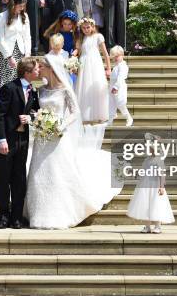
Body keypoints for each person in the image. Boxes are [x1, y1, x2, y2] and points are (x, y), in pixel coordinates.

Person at [24, 55, 122, 229]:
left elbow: (75, 112)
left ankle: (61, 211)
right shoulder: (40, 91)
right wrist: (37, 120)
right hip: (42, 137)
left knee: (58, 171)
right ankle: (39, 213)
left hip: (59, 136)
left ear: (50, 68)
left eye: (42, 67)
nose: (39, 70)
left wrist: (61, 124)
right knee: (39, 172)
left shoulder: (65, 90)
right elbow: (35, 111)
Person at [0, 58, 41, 229]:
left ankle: (16, 217)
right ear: (27, 72)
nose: (39, 71)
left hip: (22, 141)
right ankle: (3, 216)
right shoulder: (9, 88)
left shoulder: (33, 91)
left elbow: (37, 111)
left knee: (19, 180)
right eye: (37, 69)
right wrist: (1, 140)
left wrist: (30, 118)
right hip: (7, 142)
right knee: (3, 180)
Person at [126, 133, 174, 233]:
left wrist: (161, 187)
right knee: (145, 204)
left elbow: (162, 174)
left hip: (155, 185)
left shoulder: (158, 160)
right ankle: (147, 226)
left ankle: (157, 226)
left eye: (150, 148)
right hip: (145, 185)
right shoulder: (147, 160)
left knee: (156, 204)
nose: (148, 150)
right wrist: (133, 173)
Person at [75, 17, 110, 124]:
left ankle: (99, 113)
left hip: (95, 64)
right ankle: (85, 114)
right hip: (84, 65)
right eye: (83, 28)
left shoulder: (98, 37)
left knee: (97, 87)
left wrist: (108, 68)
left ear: (93, 27)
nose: (86, 30)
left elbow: (105, 54)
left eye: (88, 27)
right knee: (84, 88)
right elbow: (78, 52)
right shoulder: (81, 39)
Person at [0, 0, 32, 89]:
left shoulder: (25, 16)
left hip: (21, 52)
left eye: (23, 6)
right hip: (6, 53)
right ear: (13, 5)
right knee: (7, 82)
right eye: (20, 6)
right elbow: (0, 39)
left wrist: (27, 54)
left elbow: (27, 37)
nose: (22, 8)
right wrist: (9, 57)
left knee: (19, 81)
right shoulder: (2, 16)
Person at [108, 45, 133, 127]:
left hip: (119, 88)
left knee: (120, 104)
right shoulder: (116, 66)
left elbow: (120, 77)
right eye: (114, 57)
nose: (115, 58)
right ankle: (110, 120)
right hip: (112, 87)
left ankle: (129, 118)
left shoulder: (123, 66)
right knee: (111, 105)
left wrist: (116, 87)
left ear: (122, 55)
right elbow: (114, 77)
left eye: (117, 56)